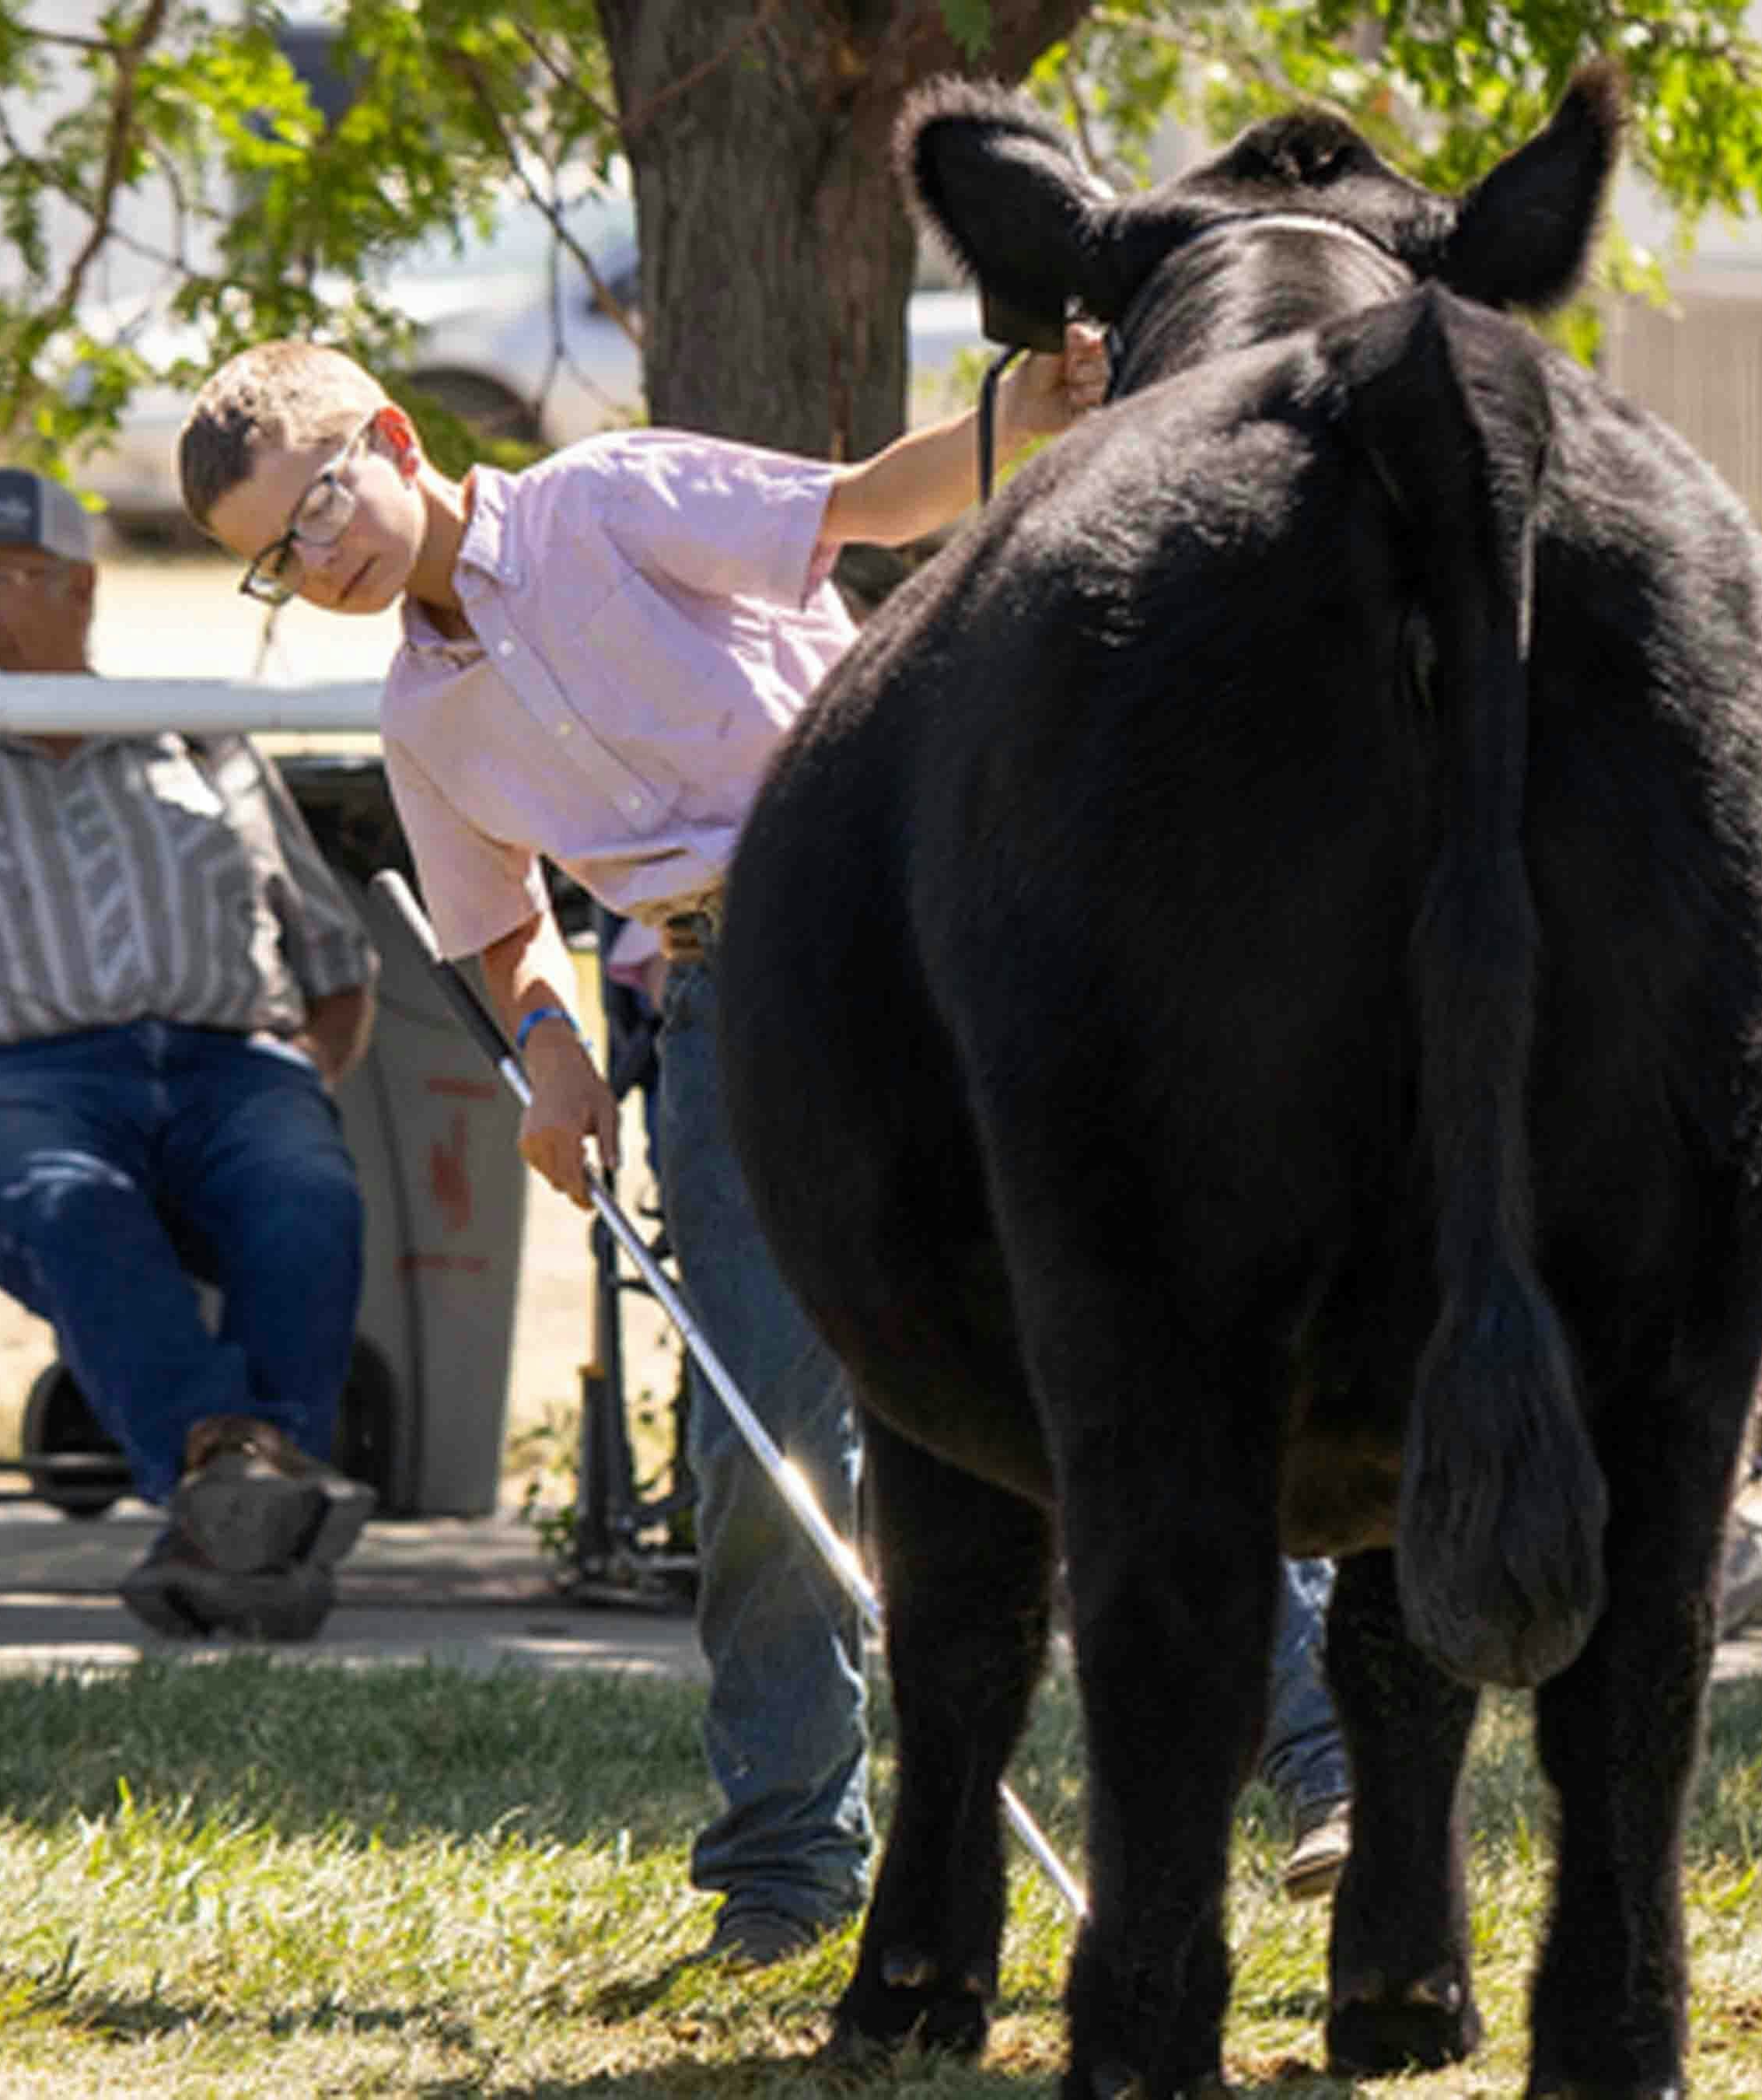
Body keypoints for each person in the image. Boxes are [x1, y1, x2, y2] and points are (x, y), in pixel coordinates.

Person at [176, 331, 1358, 1958]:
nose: (316, 563)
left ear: (391, 435)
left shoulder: (607, 499)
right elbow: (498, 930)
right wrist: (553, 1060)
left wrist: (1010, 421)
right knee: (766, 1447)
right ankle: (788, 1869)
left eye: (317, 509)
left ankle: (1318, 1760)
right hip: (731, 1018)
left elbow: (859, 509)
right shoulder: (420, 721)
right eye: (270, 562)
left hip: (916, 923)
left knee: (1109, 1351)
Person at [0, 468, 379, 1639]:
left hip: (231, 1065)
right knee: (73, 1202)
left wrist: (303, 1085)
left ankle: (227, 1527)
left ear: (80, 590)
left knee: (303, 1190)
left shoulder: (191, 729)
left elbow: (338, 961)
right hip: (11, 1081)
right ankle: (241, 1471)